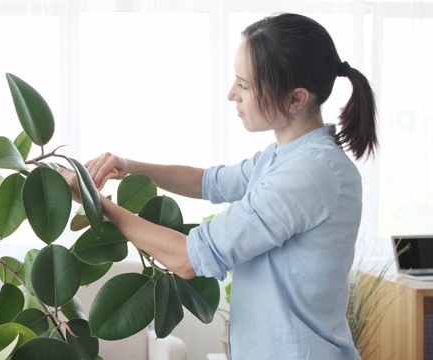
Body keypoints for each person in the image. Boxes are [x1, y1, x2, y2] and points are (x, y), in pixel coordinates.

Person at [58, 12, 377, 360]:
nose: (231, 94)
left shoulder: (310, 173)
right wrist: (129, 166)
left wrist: (96, 202)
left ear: (296, 98)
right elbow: (208, 181)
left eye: (245, 85)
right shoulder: (282, 157)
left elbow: (188, 259)